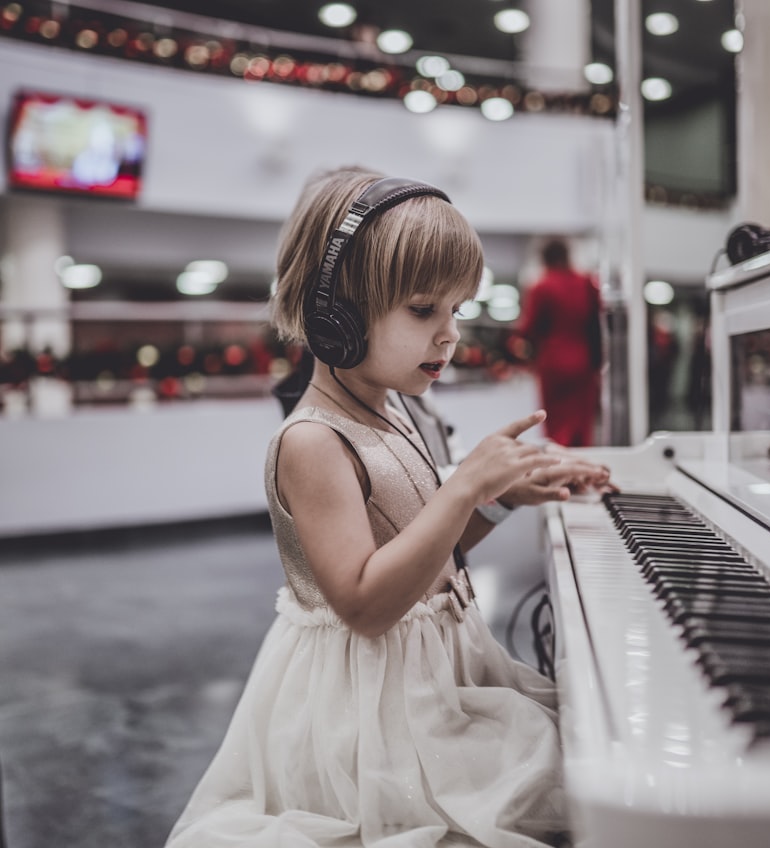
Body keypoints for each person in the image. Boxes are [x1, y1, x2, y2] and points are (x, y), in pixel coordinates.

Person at [165, 166, 612, 848]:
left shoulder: (399, 408)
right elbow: (367, 603)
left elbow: (423, 552)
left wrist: (498, 501)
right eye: (424, 310)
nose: (450, 336)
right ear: (334, 316)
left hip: (433, 677)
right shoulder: (314, 441)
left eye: (457, 311)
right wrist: (464, 485)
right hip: (371, 715)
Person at [518, 238, 603, 448]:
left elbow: (528, 328)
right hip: (583, 362)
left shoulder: (542, 286)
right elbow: (596, 324)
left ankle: (559, 471)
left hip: (553, 362)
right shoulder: (586, 282)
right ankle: (582, 471)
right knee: (582, 423)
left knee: (555, 425)